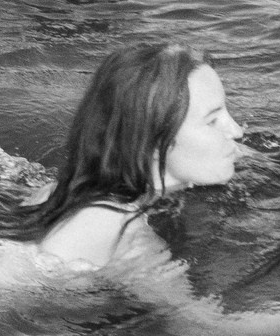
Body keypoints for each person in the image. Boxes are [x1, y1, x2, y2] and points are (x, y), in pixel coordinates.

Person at [29, 41, 244, 266]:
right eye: (212, 121)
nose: (237, 131)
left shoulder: (58, 192)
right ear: (153, 143)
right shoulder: (121, 231)